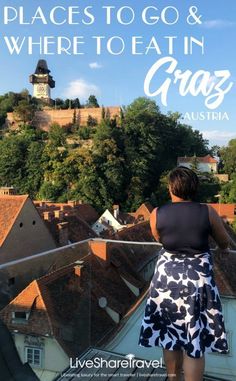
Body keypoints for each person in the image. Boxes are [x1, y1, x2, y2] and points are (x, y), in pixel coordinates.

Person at [138, 166, 230, 381]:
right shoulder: (207, 211)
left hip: (166, 278)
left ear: (171, 188)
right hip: (197, 280)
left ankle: (172, 378)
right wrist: (220, 249)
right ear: (194, 188)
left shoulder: (156, 213)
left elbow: (159, 239)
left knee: (170, 335)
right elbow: (224, 242)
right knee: (194, 338)